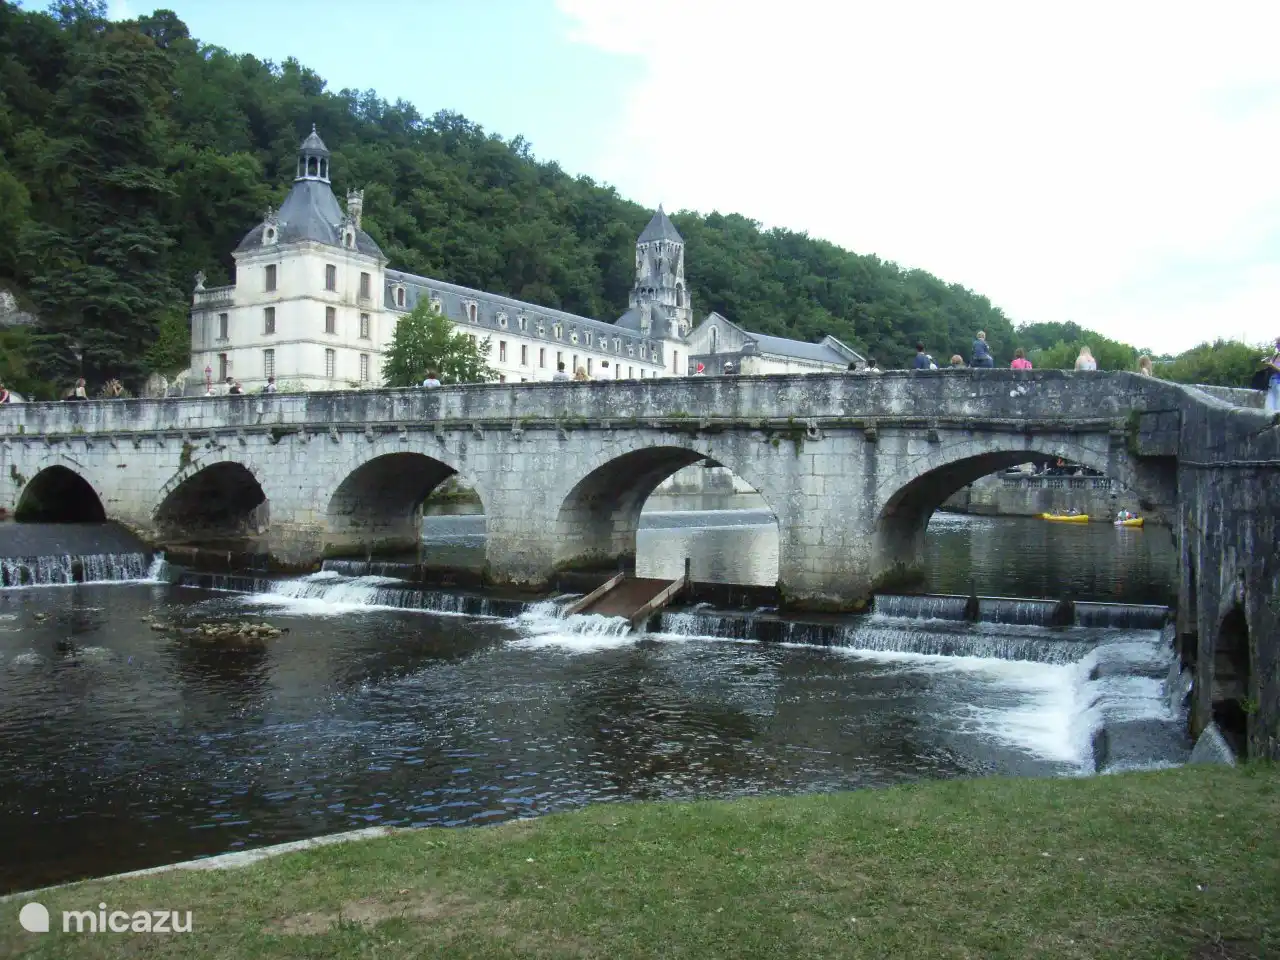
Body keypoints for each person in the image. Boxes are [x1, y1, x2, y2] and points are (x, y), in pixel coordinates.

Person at [1265, 336, 1280, 414]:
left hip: (1279, 383)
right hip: (1272, 383)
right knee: (1270, 406)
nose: (1277, 345)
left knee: (1278, 405)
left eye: (1278, 343)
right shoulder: (1276, 355)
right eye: (1276, 343)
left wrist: (1273, 365)